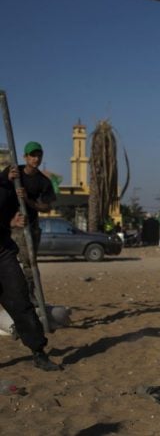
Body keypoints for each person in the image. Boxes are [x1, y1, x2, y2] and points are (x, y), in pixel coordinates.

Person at [0, 176, 61, 371]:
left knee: (20, 301)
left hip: (3, 252)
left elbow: (13, 213)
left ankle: (38, 352)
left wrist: (14, 218)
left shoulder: (5, 186)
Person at [1, 141, 56, 302]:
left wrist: (27, 201)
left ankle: (31, 296)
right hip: (8, 225)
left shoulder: (43, 182)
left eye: (39, 155)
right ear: (25, 157)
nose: (36, 159)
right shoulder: (14, 171)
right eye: (33, 155)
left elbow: (46, 207)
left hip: (29, 226)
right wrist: (7, 177)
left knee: (29, 263)